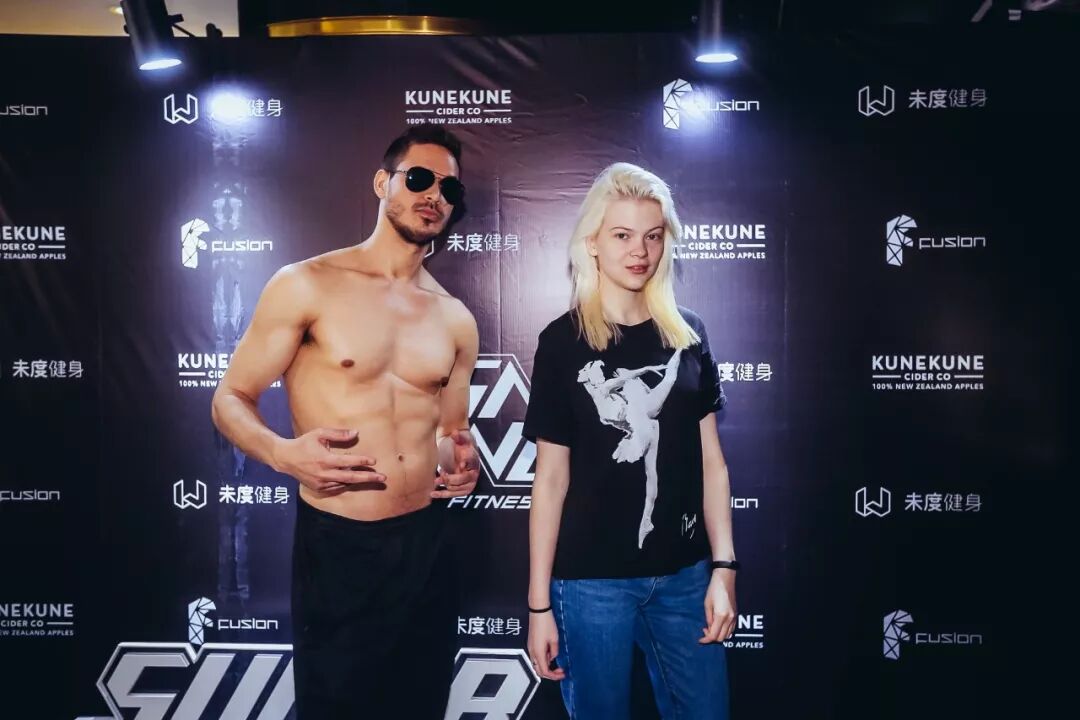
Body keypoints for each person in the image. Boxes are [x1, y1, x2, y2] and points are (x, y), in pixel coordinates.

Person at [211, 124, 481, 719]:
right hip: (339, 544)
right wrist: (282, 453)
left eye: (449, 189)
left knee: (421, 707)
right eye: (419, 178)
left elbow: (449, 433)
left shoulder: (455, 319)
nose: (434, 195)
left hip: (428, 545)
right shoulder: (307, 284)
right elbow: (230, 396)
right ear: (383, 183)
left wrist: (459, 461)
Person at [524, 162, 738, 719]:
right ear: (592, 243)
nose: (639, 251)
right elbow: (550, 480)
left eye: (652, 235)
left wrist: (724, 567)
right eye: (622, 235)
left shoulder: (687, 334)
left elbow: (712, 463)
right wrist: (539, 605)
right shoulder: (562, 342)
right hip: (590, 584)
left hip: (685, 577)